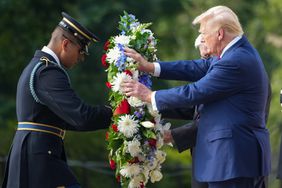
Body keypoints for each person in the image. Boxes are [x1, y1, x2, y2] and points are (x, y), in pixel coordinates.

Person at [122, 5, 271, 188]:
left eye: (204, 33)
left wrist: (150, 96)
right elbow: (196, 67)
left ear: (219, 34)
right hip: (230, 161)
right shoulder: (233, 53)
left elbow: (195, 92)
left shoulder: (236, 60)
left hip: (233, 161)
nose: (202, 39)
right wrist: (151, 67)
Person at [2, 12, 112, 188]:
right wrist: (117, 112)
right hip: (38, 163)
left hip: (36, 157)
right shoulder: (48, 71)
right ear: (66, 44)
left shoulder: (38, 66)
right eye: (80, 51)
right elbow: (81, 116)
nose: (81, 58)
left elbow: (67, 120)